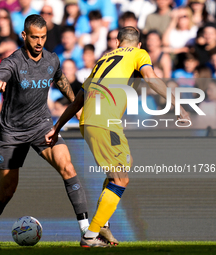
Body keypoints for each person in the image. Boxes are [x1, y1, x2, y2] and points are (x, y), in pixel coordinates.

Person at [45, 26, 190, 247]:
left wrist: (57, 127)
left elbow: (77, 102)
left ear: (117, 43)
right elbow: (150, 79)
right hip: (105, 123)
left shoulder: (101, 61)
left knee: (125, 164)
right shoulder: (138, 54)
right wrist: (177, 103)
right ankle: (91, 235)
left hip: (89, 122)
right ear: (138, 44)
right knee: (121, 178)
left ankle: (103, 223)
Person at [0, 14, 101, 247]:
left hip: (42, 125)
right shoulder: (13, 62)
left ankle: (86, 232)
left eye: (42, 37)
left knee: (67, 166)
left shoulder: (52, 60)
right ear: (24, 35)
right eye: (34, 37)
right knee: (6, 192)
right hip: (12, 132)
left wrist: (77, 108)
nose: (39, 42)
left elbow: (61, 80)